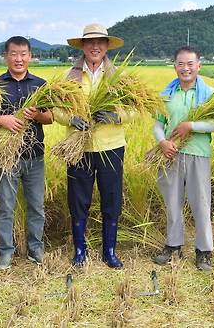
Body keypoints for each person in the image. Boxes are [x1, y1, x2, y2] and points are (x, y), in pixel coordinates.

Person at [54, 23, 134, 269]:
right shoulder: (69, 76)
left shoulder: (119, 76)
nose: (95, 46)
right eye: (90, 42)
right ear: (83, 46)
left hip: (111, 147)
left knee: (111, 199)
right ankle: (80, 250)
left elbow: (134, 109)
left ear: (107, 45)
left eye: (100, 42)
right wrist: (71, 120)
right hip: (79, 148)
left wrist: (116, 116)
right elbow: (55, 109)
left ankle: (109, 251)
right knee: (78, 200)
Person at [0, 36, 53, 270]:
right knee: (5, 206)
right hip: (5, 157)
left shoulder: (41, 84)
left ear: (30, 56)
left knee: (37, 206)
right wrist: (2, 120)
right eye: (13, 54)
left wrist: (36, 116)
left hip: (34, 156)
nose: (18, 59)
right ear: (6, 57)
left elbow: (50, 117)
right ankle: (6, 251)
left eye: (23, 54)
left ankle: (35, 248)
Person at [152, 46, 214, 271]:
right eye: (181, 64)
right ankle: (173, 246)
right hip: (171, 154)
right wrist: (162, 142)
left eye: (190, 63)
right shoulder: (166, 94)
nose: (186, 68)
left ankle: (204, 251)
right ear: (175, 67)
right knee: (172, 202)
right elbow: (157, 124)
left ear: (199, 66)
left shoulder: (209, 94)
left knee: (201, 203)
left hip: (198, 155)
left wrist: (190, 125)